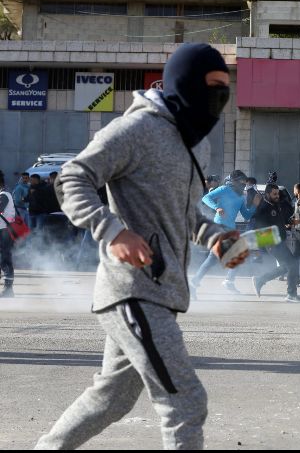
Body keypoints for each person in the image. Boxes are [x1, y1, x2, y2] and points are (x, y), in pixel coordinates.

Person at [36, 43, 248, 449]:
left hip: (161, 290)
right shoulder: (135, 129)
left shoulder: (195, 144)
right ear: (183, 84)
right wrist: (111, 230)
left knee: (111, 398)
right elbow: (71, 177)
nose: (220, 96)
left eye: (226, 88)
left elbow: (186, 217)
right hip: (134, 290)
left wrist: (216, 238)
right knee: (185, 401)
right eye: (212, 86)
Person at [190, 169, 257, 296]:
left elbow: (246, 215)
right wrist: (217, 207)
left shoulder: (242, 196)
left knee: (213, 258)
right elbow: (206, 198)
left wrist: (254, 205)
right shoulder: (224, 189)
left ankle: (195, 283)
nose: (244, 184)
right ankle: (228, 282)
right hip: (219, 226)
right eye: (242, 181)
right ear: (235, 180)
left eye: (245, 182)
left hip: (230, 229)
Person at [251, 183, 300, 302]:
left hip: (280, 241)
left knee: (286, 267)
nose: (277, 196)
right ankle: (291, 294)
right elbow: (257, 228)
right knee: (293, 264)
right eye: (274, 194)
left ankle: (260, 280)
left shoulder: (276, 205)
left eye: (278, 193)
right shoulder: (263, 208)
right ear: (267, 194)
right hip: (273, 243)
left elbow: (284, 221)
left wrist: (298, 220)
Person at [0, 172, 16, 297]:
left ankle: (8, 289)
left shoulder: (4, 194)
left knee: (5, 258)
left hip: (4, 231)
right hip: (3, 230)